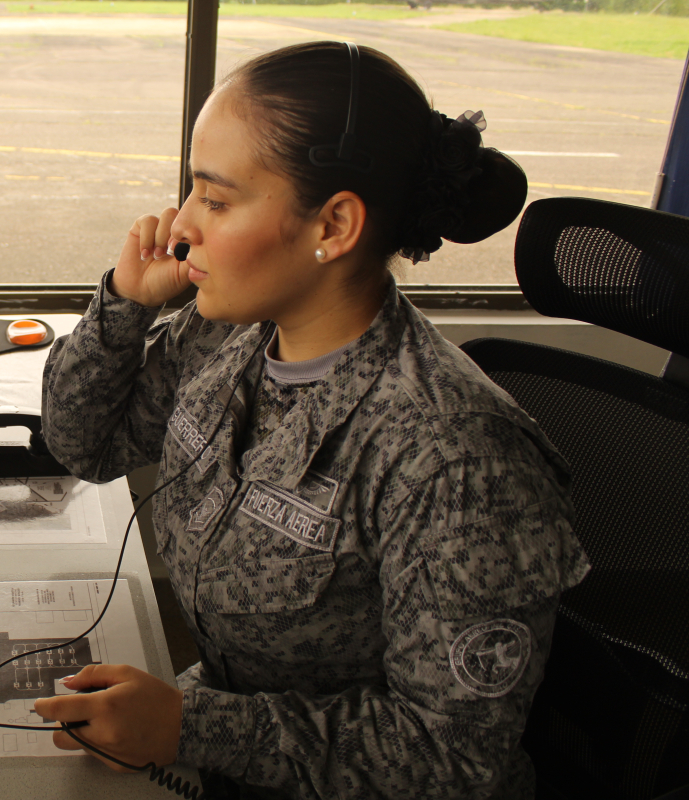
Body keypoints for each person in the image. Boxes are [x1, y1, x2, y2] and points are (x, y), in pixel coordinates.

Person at [31, 41, 590, 799]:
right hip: (225, 725)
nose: (182, 224)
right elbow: (84, 445)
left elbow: (454, 760)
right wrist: (125, 305)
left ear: (333, 225)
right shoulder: (233, 330)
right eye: (191, 190)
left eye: (217, 200)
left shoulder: (457, 464)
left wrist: (191, 728)